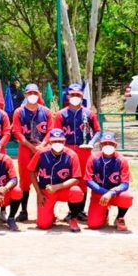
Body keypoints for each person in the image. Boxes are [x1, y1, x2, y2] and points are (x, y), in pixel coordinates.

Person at [53, 83, 101, 221]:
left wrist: (91, 143)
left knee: (83, 180)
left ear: (82, 96)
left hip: (83, 149)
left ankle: (81, 211)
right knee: (70, 179)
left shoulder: (89, 113)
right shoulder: (61, 114)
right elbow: (56, 133)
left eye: (78, 95)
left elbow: (97, 131)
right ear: (68, 96)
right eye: (72, 95)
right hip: (67, 150)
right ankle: (72, 211)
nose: (75, 97)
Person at [27, 129, 84, 232]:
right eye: (54, 141)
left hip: (64, 190)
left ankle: (73, 218)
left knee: (77, 192)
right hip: (46, 191)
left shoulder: (72, 155)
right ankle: (50, 215)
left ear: (64, 141)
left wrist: (57, 186)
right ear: (50, 142)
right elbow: (31, 171)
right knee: (43, 225)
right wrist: (39, 193)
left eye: (60, 141)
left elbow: (76, 179)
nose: (57, 143)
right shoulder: (41, 153)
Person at [11, 83, 54, 222]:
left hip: (43, 148)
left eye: (35, 93)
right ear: (25, 95)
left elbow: (50, 131)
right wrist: (30, 146)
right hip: (25, 147)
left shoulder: (46, 111)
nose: (32, 96)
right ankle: (24, 210)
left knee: (45, 177)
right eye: (29, 93)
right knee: (24, 179)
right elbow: (17, 132)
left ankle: (48, 210)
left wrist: (42, 145)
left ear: (39, 94)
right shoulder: (19, 111)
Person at [84, 133, 133, 231]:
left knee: (127, 197)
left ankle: (120, 218)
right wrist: (105, 193)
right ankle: (104, 213)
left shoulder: (122, 160)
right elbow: (88, 180)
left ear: (115, 145)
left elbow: (125, 184)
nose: (107, 145)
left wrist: (111, 193)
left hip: (116, 194)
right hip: (99, 195)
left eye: (110, 143)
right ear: (100, 145)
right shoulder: (93, 158)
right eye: (105, 143)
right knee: (93, 225)